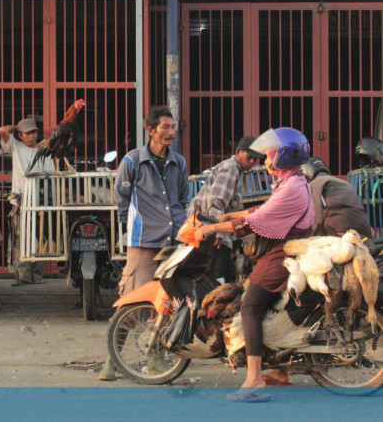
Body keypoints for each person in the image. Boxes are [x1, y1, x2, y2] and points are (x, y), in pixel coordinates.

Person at [196, 127, 314, 402]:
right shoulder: (292, 182)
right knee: (268, 309)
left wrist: (212, 230)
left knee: (249, 307)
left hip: (279, 257)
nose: (266, 160)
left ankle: (254, 380)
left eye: (270, 155)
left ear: (284, 157)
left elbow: (251, 224)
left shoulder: (291, 189)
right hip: (282, 253)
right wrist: (225, 215)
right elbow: (258, 210)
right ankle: (279, 371)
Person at [98, 107, 189, 381]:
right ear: (150, 130)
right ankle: (111, 363)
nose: (170, 132)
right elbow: (122, 201)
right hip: (143, 243)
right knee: (131, 301)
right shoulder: (133, 161)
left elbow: (182, 198)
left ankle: (156, 359)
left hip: (173, 243)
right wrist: (135, 228)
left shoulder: (179, 163)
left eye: (173, 127)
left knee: (167, 304)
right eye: (164, 127)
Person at [187, 136, 263, 282]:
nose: (252, 162)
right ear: (238, 151)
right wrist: (219, 234)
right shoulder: (231, 169)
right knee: (218, 280)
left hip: (209, 229)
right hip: (211, 233)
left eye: (255, 159)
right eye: (249, 157)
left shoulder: (236, 169)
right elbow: (216, 202)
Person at [0, 118, 55, 286]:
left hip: (40, 199)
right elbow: (3, 129)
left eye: (34, 132)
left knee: (40, 236)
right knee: (23, 236)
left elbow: (50, 173)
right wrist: (17, 126)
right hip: (21, 198)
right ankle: (23, 275)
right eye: (27, 133)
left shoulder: (44, 149)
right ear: (21, 136)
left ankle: (37, 274)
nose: (32, 136)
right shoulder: (16, 147)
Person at [302, 157, 374, 252]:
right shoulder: (346, 184)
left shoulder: (314, 186)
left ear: (306, 175)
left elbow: (317, 221)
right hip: (366, 241)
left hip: (342, 244)